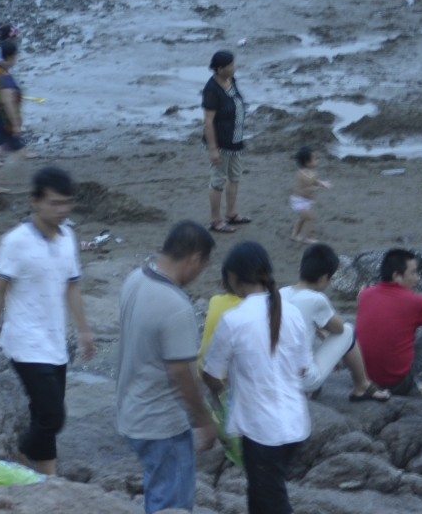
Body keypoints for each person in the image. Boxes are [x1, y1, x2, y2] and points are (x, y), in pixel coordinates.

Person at [0, 166, 95, 476]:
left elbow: (72, 285)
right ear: (35, 201)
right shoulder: (15, 241)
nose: (63, 210)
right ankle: (19, 456)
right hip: (24, 342)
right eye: (55, 203)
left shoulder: (68, 236)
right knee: (52, 416)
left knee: (43, 415)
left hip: (55, 341)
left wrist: (84, 331)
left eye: (67, 203)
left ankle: (48, 477)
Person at [201, 242, 314, 514]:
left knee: (272, 500)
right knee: (261, 492)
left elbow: (211, 374)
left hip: (262, 430)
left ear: (234, 278)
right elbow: (302, 368)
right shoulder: (293, 312)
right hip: (295, 423)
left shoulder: (234, 319)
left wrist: (221, 390)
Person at [114, 221, 220, 514]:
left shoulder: (135, 279)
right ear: (195, 259)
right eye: (203, 267)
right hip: (161, 424)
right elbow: (181, 375)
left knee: (157, 493)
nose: (200, 275)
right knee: (170, 504)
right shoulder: (176, 306)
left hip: (131, 412)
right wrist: (203, 420)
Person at [283, 242, 389, 401]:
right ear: (324, 278)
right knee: (348, 330)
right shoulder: (316, 299)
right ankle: (363, 386)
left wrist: (321, 331)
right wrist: (334, 348)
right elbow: (339, 330)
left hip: (276, 376)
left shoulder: (280, 293)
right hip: (301, 379)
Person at [354, 248, 422, 394]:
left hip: (365, 380)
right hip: (398, 383)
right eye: (413, 273)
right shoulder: (415, 301)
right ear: (397, 276)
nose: (418, 278)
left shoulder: (365, 294)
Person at [203, 50, 251, 233]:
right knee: (217, 181)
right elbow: (208, 121)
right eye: (230, 65)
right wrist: (213, 149)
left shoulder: (231, 80)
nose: (234, 67)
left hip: (236, 140)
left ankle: (232, 214)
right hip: (221, 143)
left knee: (235, 177)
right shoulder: (211, 89)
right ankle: (216, 220)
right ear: (219, 68)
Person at [0, 36, 27, 194]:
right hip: (4, 121)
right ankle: (8, 177)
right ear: (11, 56)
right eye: (16, 56)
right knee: (20, 152)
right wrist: (16, 124)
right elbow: (8, 100)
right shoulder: (5, 76)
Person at [288, 147, 328, 244]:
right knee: (310, 218)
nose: (317, 160)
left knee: (302, 219)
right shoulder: (302, 175)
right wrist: (315, 188)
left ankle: (294, 235)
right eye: (314, 159)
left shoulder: (311, 173)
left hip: (306, 201)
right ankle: (308, 238)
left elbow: (314, 181)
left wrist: (321, 183)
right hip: (299, 201)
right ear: (307, 162)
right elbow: (302, 190)